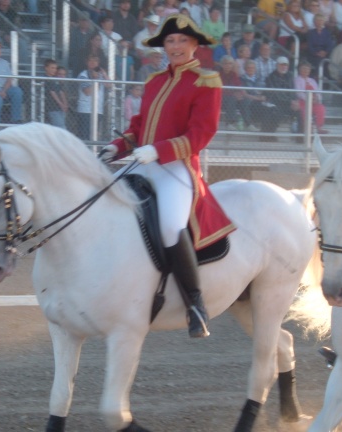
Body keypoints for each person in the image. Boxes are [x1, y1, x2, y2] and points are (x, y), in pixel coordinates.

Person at [100, 14, 235, 338]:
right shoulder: (154, 81)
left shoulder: (206, 81)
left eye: (182, 41)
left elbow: (201, 134)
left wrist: (159, 150)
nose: (175, 46)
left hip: (177, 169)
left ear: (194, 45)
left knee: (171, 227)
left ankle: (195, 305)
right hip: (144, 162)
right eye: (170, 41)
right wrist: (114, 147)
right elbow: (137, 127)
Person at [76, 54, 111, 140]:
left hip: (98, 110)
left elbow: (109, 85)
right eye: (91, 60)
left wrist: (104, 74)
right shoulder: (83, 75)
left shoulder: (101, 75)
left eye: (95, 61)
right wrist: (96, 80)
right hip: (85, 110)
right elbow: (87, 92)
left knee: (94, 136)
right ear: (87, 62)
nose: (93, 63)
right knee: (85, 136)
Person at [264, 56, 301, 137]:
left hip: (289, 104)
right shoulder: (270, 77)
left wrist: (294, 101)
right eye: (281, 65)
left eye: (286, 65)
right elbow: (276, 94)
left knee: (301, 112)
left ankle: (300, 137)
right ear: (277, 65)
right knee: (275, 113)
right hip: (277, 103)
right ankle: (269, 136)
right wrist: (290, 101)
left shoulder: (290, 76)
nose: (284, 67)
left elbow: (292, 90)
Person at [295, 60, 328, 133]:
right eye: (304, 68)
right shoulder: (297, 80)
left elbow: (318, 92)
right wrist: (308, 99)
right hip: (303, 102)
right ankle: (309, 129)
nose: (306, 70)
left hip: (314, 102)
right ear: (300, 69)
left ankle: (319, 128)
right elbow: (299, 93)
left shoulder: (312, 80)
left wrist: (318, 99)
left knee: (321, 108)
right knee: (305, 111)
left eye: (307, 69)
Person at [43, 58, 68, 130]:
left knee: (60, 126)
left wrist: (65, 104)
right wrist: (61, 104)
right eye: (52, 68)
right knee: (61, 128)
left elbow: (60, 91)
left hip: (60, 108)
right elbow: (52, 92)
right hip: (52, 108)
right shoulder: (46, 79)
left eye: (55, 68)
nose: (54, 70)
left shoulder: (55, 79)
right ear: (46, 68)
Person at [69, 12, 93, 77]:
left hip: (88, 58)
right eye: (83, 20)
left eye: (86, 20)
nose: (84, 22)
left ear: (89, 22)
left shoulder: (92, 33)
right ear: (79, 21)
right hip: (76, 57)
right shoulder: (73, 32)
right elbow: (72, 48)